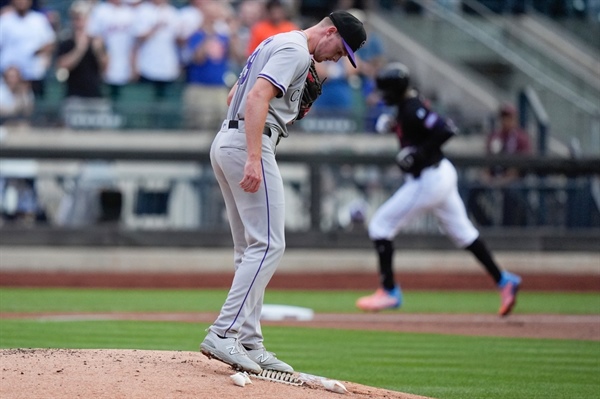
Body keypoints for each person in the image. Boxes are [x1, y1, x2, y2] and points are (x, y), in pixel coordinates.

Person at [200, 10, 367, 374]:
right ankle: (224, 331)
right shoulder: (294, 49)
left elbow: (234, 93)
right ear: (330, 31)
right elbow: (256, 96)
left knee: (250, 249)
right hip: (249, 142)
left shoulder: (276, 42)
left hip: (229, 140)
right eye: (342, 49)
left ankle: (248, 340)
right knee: (269, 244)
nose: (339, 59)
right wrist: (254, 156)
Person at [355, 62, 522, 317]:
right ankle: (504, 280)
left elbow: (446, 129)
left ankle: (389, 291)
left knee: (380, 226)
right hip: (439, 175)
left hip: (429, 179)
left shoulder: (412, 107)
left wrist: (418, 154)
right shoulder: (406, 106)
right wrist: (395, 126)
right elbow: (415, 127)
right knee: (464, 234)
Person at [181, 1, 235, 130]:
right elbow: (197, 58)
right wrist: (209, 35)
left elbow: (236, 55)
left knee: (221, 125)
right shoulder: (196, 35)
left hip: (219, 87)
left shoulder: (223, 36)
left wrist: (232, 30)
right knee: (199, 126)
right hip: (200, 87)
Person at [484, 102, 532, 226]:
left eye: (509, 117)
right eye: (503, 117)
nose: (506, 120)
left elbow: (519, 168)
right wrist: (487, 178)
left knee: (511, 192)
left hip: (515, 181)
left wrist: (502, 181)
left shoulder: (521, 138)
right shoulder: (495, 137)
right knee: (474, 189)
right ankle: (487, 225)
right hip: (495, 178)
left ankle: (508, 228)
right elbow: (486, 163)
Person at [0, 0, 56, 99]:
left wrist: (39, 51)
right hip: (9, 78)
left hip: (33, 75)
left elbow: (50, 42)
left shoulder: (38, 20)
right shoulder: (5, 20)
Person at [86, 0, 135, 102]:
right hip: (104, 67)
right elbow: (93, 38)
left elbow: (135, 44)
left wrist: (134, 66)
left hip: (126, 66)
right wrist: (102, 58)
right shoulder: (100, 11)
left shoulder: (130, 12)